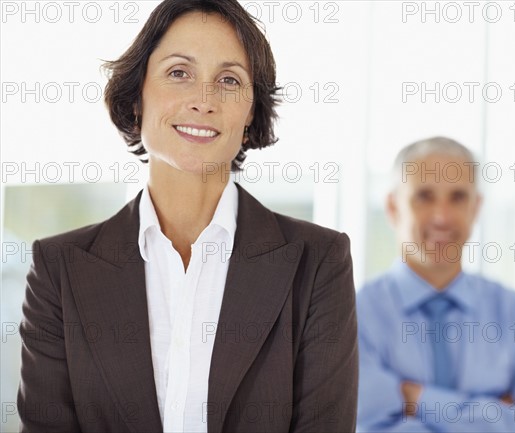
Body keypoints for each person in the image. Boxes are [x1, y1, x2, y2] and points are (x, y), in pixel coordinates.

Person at [17, 1, 358, 432]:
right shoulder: (59, 267)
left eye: (229, 80)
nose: (203, 100)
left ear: (251, 115)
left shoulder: (319, 261)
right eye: (179, 73)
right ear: (136, 95)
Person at [357, 137, 515, 432]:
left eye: (458, 197)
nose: (442, 217)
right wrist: (497, 414)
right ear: (393, 208)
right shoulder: (353, 317)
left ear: (476, 208)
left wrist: (416, 399)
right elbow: (360, 424)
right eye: (424, 196)